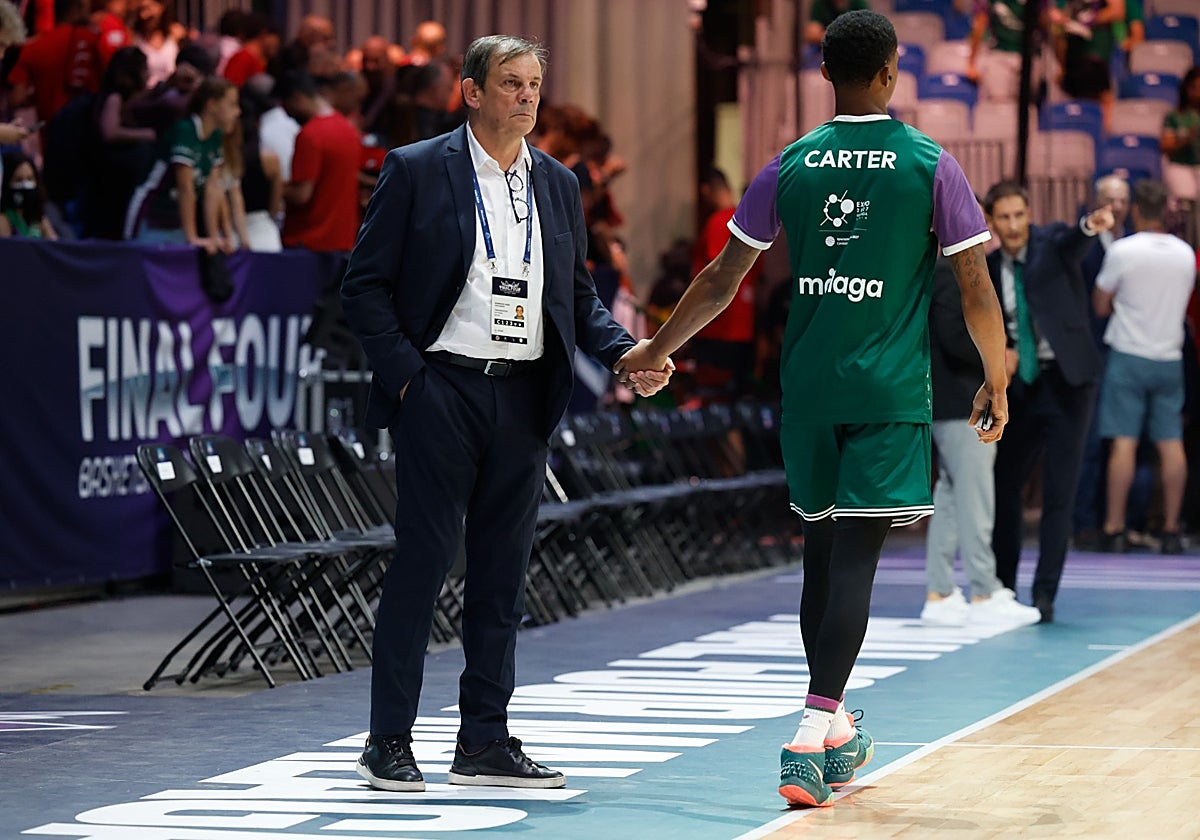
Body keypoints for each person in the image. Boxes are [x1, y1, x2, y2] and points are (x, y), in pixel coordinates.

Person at [620, 10, 1008, 807]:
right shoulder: (931, 163)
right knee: (856, 563)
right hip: (888, 393)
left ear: (826, 74)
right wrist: (997, 377)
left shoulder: (788, 165)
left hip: (809, 393)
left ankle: (833, 733)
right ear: (894, 69)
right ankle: (808, 733)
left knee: (821, 558)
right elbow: (974, 287)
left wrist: (658, 348)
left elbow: (722, 278)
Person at [340, 34, 671, 793]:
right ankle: (388, 739)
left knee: (503, 577)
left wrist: (626, 354)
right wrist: (409, 383)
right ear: (472, 92)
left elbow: (577, 296)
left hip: (524, 397)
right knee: (422, 567)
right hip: (442, 390)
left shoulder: (558, 182)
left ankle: (484, 738)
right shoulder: (417, 169)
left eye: (534, 85)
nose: (527, 97)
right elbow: (363, 287)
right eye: (511, 83)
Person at [984, 180, 1115, 623]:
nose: (1014, 225)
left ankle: (1044, 595)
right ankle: (1002, 587)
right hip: (1017, 388)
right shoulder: (985, 267)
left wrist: (1090, 225)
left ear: (1029, 214)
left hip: (1068, 384)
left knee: (1060, 491)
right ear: (992, 221)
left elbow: (1075, 238)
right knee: (1004, 487)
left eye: (1020, 214)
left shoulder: (1053, 244)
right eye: (1004, 217)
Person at [923, 252, 1042, 626]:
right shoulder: (946, 272)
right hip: (959, 400)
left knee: (952, 495)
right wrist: (996, 357)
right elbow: (954, 335)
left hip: (950, 401)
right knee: (975, 497)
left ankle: (939, 593)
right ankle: (984, 591)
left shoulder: (937, 269)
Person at [1093, 179, 1197, 553]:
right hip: (1169, 356)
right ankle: (1171, 529)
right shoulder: (1185, 254)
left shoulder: (1124, 250)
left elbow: (1101, 305)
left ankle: (1114, 527)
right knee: (1171, 445)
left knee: (1124, 442)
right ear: (1166, 212)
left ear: (1137, 209)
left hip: (1129, 354)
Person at [124, 76, 240, 249]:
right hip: (151, 216)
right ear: (212, 105)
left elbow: (213, 189)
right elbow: (186, 188)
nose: (237, 111)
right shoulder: (185, 130)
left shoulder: (214, 137)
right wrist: (192, 238)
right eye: (232, 104)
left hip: (176, 221)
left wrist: (217, 237)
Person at [277, 71, 360, 252]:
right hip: (342, 240)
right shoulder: (347, 129)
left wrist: (272, 185)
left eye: (286, 106)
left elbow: (302, 194)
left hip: (308, 240)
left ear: (297, 98)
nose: (288, 115)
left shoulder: (310, 135)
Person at [6, 0, 101, 125]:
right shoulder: (95, 41)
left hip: (51, 132)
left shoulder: (32, 49)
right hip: (92, 128)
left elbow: (17, 99)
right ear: (75, 10)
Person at [1161, 67, 1200, 242]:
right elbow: (1166, 146)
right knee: (1185, 202)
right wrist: (1188, 137)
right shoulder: (1175, 117)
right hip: (1181, 166)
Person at [0, 151, 57, 238]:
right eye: (18, 180)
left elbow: (55, 245)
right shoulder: (3, 218)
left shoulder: (38, 217)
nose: (25, 185)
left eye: (30, 179)